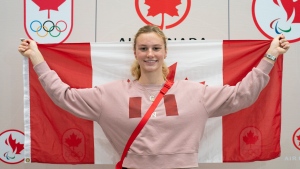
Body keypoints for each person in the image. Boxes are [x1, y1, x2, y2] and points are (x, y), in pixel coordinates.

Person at [18, 25, 290, 169]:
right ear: (135, 53)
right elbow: (63, 96)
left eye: (156, 48)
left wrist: (269, 56)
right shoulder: (109, 95)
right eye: (144, 48)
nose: (150, 53)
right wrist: (37, 58)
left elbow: (242, 95)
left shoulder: (195, 92)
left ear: (165, 52)